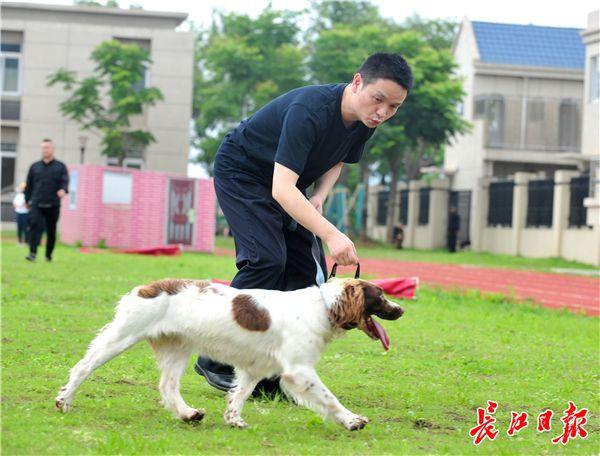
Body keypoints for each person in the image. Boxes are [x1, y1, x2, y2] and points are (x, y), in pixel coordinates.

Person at [195, 53, 413, 395]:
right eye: (378, 99)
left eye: (394, 107)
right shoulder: (309, 111)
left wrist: (320, 195)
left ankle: (271, 370)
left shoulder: (364, 121)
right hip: (244, 172)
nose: (382, 112)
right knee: (266, 259)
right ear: (358, 82)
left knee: (304, 273)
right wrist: (331, 233)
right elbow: (281, 189)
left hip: (288, 183)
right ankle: (214, 357)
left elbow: (338, 158)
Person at [24, 138, 69, 262]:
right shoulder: (34, 166)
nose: (45, 150)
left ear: (53, 149)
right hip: (36, 203)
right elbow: (29, 185)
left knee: (51, 230)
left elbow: (65, 181)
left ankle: (48, 255)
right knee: (34, 226)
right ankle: (32, 253)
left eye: (47, 147)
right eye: (43, 147)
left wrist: (63, 189)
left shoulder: (60, 166)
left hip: (53, 204)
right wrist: (27, 200)